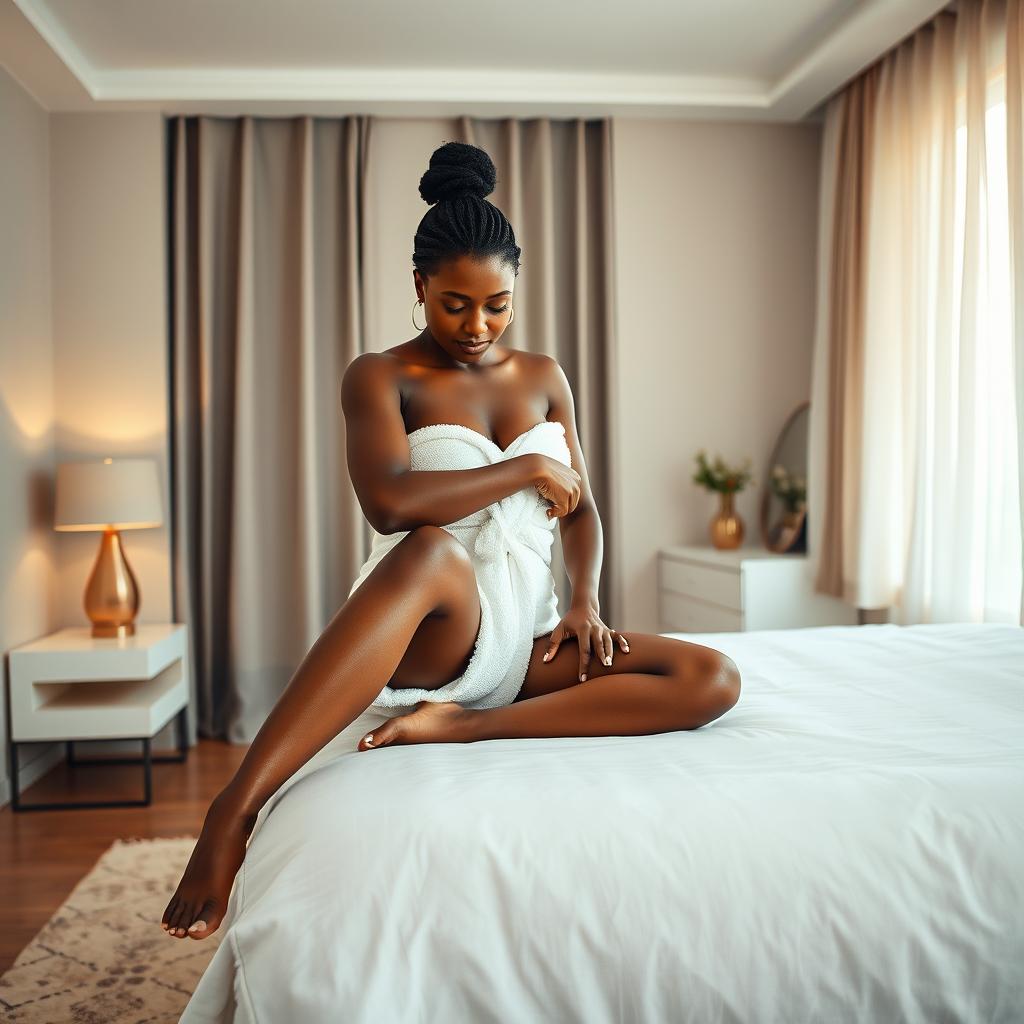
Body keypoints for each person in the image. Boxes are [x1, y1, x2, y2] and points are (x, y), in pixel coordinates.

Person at [160, 140, 741, 942]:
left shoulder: (544, 375)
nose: (477, 325)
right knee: (436, 547)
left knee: (711, 677)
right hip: (435, 627)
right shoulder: (380, 375)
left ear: (515, 290)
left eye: (496, 304)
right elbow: (391, 503)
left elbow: (580, 507)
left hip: (527, 634)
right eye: (455, 304)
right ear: (420, 287)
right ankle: (234, 808)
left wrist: (583, 601)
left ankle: (462, 726)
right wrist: (520, 471)